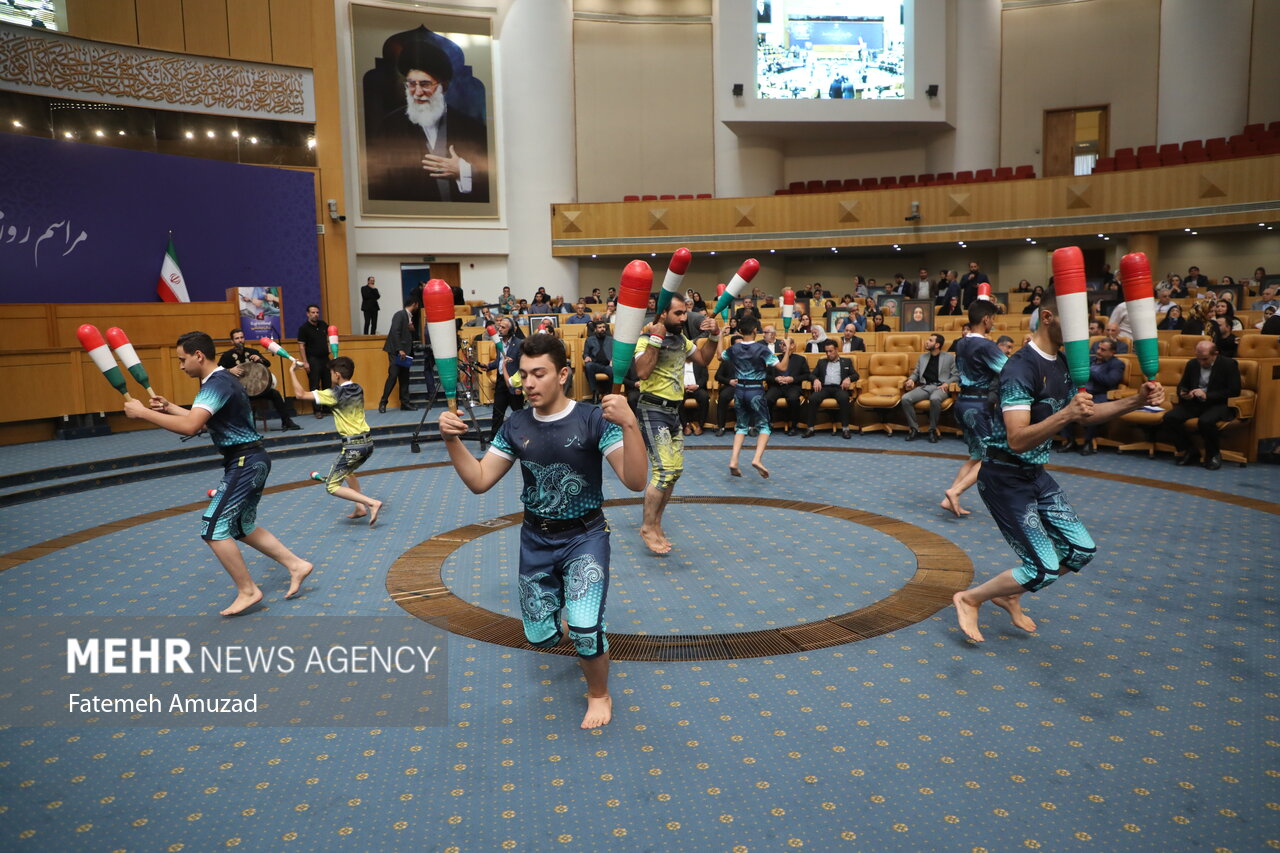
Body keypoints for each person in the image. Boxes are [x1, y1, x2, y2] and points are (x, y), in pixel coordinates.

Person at [438, 332, 646, 729]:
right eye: (523, 374)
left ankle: (598, 692)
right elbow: (480, 480)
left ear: (563, 374)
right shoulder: (515, 425)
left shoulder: (593, 419)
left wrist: (630, 424)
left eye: (539, 373)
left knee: (585, 629)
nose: (528, 383)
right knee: (541, 635)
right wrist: (451, 441)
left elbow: (636, 482)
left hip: (585, 537)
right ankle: (579, 626)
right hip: (535, 539)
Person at [951, 295, 1164, 643]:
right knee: (1043, 568)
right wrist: (1066, 414)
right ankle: (970, 599)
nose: (1084, 332)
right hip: (1004, 476)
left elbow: (1086, 414)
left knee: (1081, 551)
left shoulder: (1063, 362)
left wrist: (1136, 400)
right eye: (1075, 321)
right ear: (1048, 317)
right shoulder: (1019, 368)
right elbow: (1017, 439)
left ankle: (1010, 594)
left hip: (1035, 475)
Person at [122, 332, 313, 616]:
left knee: (213, 529)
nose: (181, 366)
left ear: (199, 356)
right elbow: (200, 422)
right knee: (240, 526)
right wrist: (170, 408)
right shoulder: (223, 380)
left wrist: (143, 413)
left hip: (245, 462)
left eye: (183, 359)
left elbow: (190, 427)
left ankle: (249, 591)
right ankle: (296, 564)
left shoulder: (216, 383)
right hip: (253, 459)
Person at [632, 293, 720, 555]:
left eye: (685, 312)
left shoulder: (681, 340)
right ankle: (647, 527)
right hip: (652, 410)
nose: (684, 318)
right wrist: (655, 339)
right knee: (663, 471)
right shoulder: (646, 339)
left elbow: (703, 359)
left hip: (673, 412)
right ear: (663, 314)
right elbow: (642, 372)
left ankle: (656, 523)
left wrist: (715, 336)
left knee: (675, 471)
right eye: (678, 313)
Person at [366, 37, 489, 203]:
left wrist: (463, 170)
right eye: (411, 84)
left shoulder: (472, 129)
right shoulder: (390, 126)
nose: (417, 92)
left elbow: (491, 180)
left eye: (425, 84)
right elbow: (378, 183)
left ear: (443, 87)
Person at [288, 356, 384, 524]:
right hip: (368, 444)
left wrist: (292, 371)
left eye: (331, 372)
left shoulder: (333, 394)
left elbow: (300, 394)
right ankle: (359, 508)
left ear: (337, 374)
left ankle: (371, 503)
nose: (330, 375)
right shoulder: (358, 388)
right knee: (347, 473)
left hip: (353, 447)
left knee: (332, 486)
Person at [944, 300, 1006, 517]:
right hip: (978, 406)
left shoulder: (961, 342)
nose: (993, 323)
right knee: (991, 456)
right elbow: (1009, 370)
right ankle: (955, 491)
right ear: (985, 319)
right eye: (993, 319)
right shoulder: (986, 346)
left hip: (962, 403)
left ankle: (948, 499)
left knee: (977, 454)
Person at [721, 316, 792, 477]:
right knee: (764, 427)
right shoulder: (762, 349)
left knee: (741, 426)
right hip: (755, 391)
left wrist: (720, 337)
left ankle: (734, 461)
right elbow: (782, 367)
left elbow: (720, 356)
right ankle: (757, 459)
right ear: (755, 330)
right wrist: (787, 350)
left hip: (739, 390)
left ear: (740, 330)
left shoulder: (734, 348)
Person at [1161, 340, 1240, 470]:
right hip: (1195, 403)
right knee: (1170, 417)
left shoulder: (1229, 364)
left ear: (1215, 354)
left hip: (1219, 404)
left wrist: (1207, 395)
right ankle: (1189, 450)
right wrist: (1183, 393)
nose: (1201, 363)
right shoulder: (1192, 364)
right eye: (1198, 359)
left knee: (1205, 421)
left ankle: (1213, 454)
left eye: (1205, 359)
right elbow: (1183, 385)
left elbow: (1233, 391)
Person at [218, 330, 302, 431]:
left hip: (258, 389)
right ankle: (245, 427)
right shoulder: (227, 356)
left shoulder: (252, 352)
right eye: (237, 338)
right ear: (232, 341)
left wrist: (260, 359)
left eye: (241, 337)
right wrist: (229, 370)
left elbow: (268, 364)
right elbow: (217, 372)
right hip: (239, 392)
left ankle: (286, 421)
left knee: (275, 394)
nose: (240, 340)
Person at [1057, 339, 1124, 455]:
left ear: (1112, 352)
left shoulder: (1117, 364)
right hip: (1080, 393)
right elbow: (1068, 358)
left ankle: (1088, 442)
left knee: (1092, 408)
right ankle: (1070, 440)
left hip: (1100, 394)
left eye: (1103, 350)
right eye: (1098, 348)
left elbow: (1110, 380)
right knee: (1064, 404)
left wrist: (1087, 372)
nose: (1098, 351)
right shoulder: (1090, 360)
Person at [900, 333, 957, 443]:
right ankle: (914, 429)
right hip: (925, 387)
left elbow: (956, 375)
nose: (927, 342)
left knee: (934, 398)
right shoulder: (922, 357)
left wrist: (947, 383)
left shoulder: (949, 358)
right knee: (905, 398)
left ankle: (932, 430)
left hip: (940, 387)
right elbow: (916, 373)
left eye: (930, 340)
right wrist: (911, 380)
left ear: (937, 345)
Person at [802, 339, 857, 439]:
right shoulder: (821, 362)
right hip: (824, 388)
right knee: (813, 399)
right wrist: (815, 380)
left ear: (836, 350)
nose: (828, 354)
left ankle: (845, 429)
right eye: (826, 351)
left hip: (839, 388)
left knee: (844, 398)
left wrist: (849, 378)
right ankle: (810, 428)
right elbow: (811, 375)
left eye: (830, 351)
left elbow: (856, 375)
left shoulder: (846, 361)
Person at [486, 316, 526, 437]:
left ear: (511, 330)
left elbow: (523, 366)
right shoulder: (498, 343)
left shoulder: (519, 344)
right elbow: (499, 361)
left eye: (503, 327)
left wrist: (519, 386)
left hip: (514, 382)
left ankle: (522, 437)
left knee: (518, 412)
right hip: (501, 381)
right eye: (499, 327)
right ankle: (494, 437)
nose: (499, 329)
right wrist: (487, 366)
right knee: (497, 412)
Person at [379, 296, 418, 413]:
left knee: (404, 377)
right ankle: (383, 402)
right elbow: (395, 332)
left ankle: (405, 403)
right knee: (393, 376)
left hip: (406, 352)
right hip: (397, 351)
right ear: (414, 304)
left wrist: (412, 330)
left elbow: (408, 335)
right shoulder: (400, 314)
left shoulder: (409, 317)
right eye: (417, 304)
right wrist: (400, 349)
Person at [297, 304, 331, 418]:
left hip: (325, 359)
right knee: (315, 386)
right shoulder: (303, 328)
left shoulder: (323, 324)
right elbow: (301, 346)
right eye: (313, 312)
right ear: (308, 314)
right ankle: (317, 410)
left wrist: (329, 346)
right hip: (313, 360)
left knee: (327, 384)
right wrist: (305, 362)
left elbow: (329, 337)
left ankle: (327, 408)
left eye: (317, 312)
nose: (315, 314)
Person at [582, 321, 614, 400]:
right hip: (595, 364)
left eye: (603, 327)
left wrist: (613, 360)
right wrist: (587, 357)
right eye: (600, 327)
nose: (602, 329)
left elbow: (616, 353)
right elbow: (585, 353)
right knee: (588, 366)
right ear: (595, 329)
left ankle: (609, 392)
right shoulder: (589, 340)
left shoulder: (611, 340)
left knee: (613, 370)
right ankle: (595, 392)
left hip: (607, 365)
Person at [680, 355, 709, 436]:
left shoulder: (700, 362)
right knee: (678, 398)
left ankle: (700, 426)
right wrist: (682, 386)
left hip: (697, 388)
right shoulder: (678, 362)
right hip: (682, 388)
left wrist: (696, 386)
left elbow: (705, 377)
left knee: (704, 397)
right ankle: (685, 426)